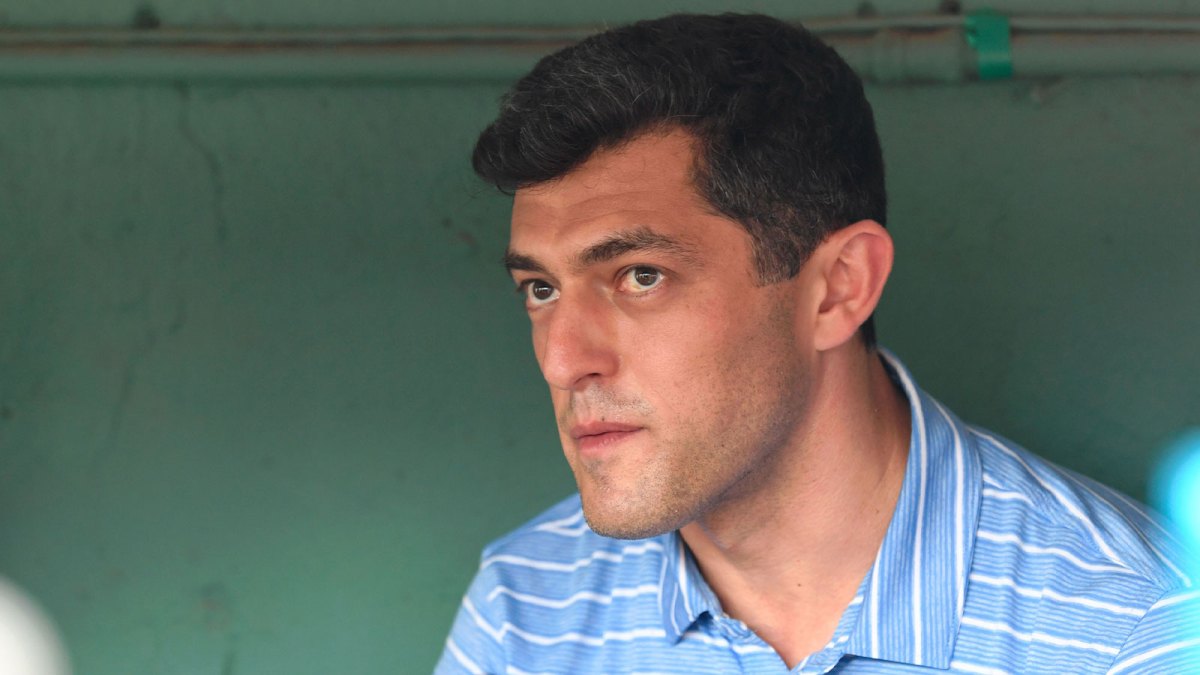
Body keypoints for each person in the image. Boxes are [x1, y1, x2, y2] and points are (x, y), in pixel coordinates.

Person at [435, 13, 1199, 674]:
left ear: (838, 287)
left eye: (641, 276)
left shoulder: (1135, 628)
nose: (562, 360)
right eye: (541, 289)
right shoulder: (526, 607)